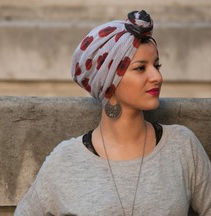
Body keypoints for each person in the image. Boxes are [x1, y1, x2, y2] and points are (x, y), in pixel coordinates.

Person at [14, 10, 211, 216]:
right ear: (109, 84)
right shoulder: (65, 161)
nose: (157, 77)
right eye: (140, 68)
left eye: (156, 65)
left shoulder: (182, 146)